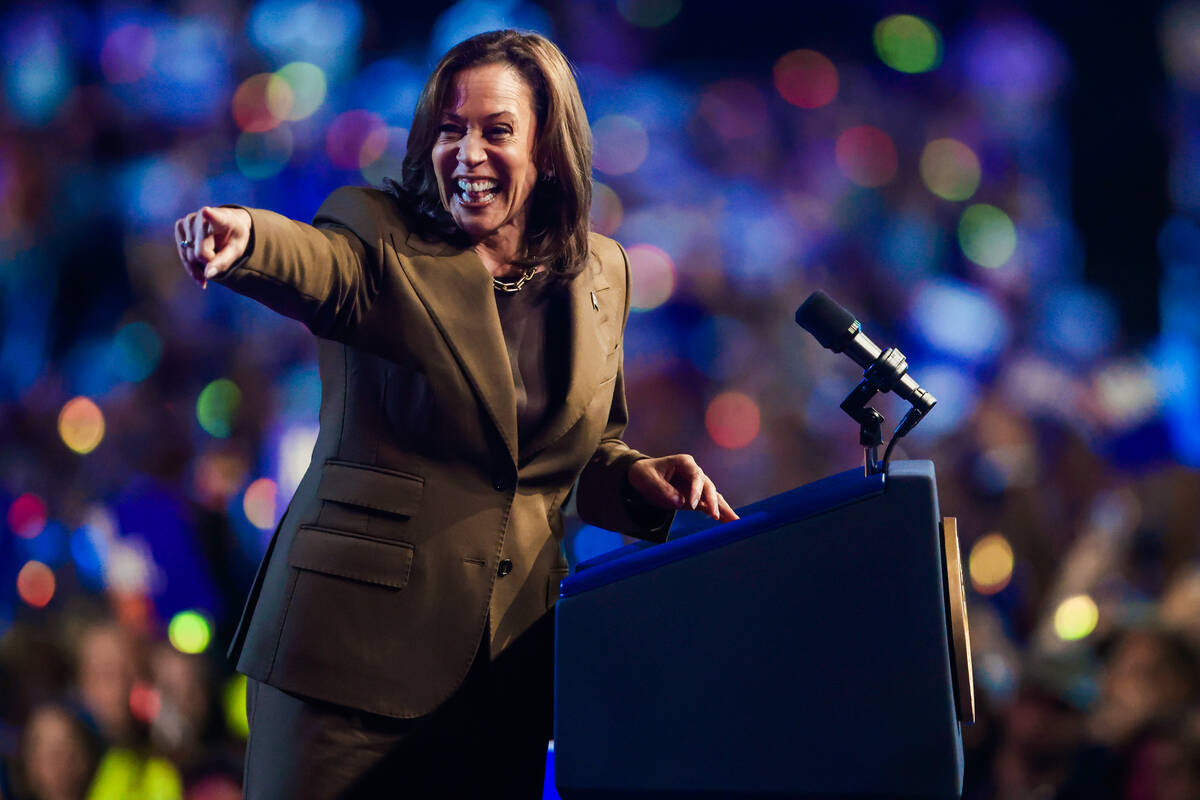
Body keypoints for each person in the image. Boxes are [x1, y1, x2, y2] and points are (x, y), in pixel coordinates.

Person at [174, 29, 737, 798]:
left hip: (500, 679)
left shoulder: (602, 271)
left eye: (496, 131)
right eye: (450, 129)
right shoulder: (379, 235)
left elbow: (575, 454)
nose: (468, 152)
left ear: (547, 149)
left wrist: (639, 479)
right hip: (344, 669)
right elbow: (317, 264)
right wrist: (244, 239)